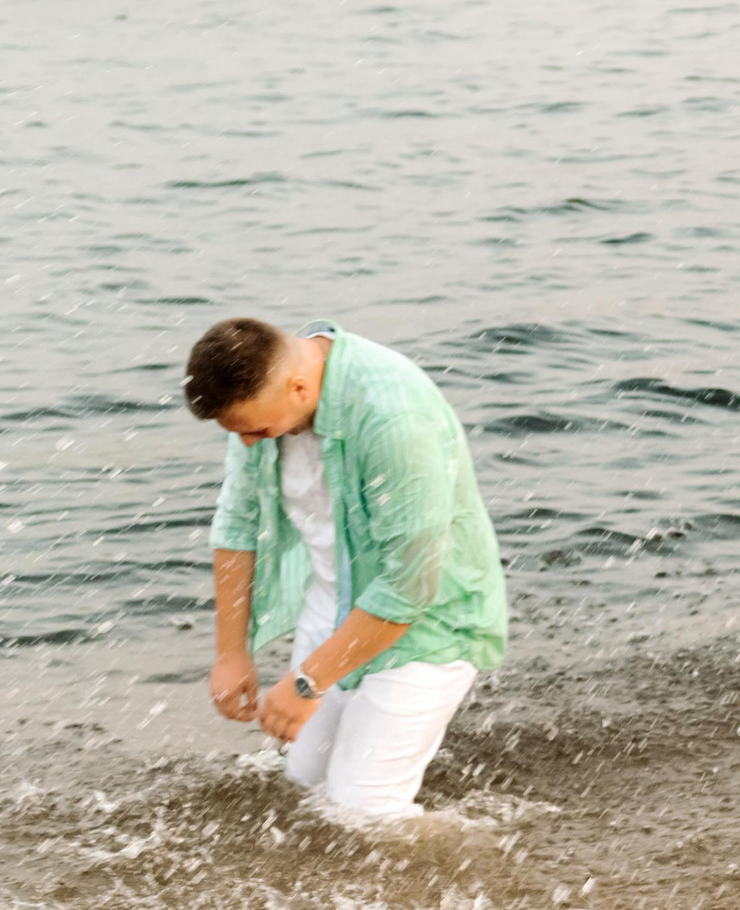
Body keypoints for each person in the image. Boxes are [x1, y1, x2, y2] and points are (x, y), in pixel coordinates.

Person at [183, 318, 507, 824]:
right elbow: (237, 525)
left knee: (364, 812)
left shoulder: (392, 416)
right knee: (306, 786)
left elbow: (408, 586)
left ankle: (491, 876)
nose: (248, 444)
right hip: (332, 602)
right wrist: (231, 652)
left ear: (298, 387)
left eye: (255, 431)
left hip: (429, 623)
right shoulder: (266, 399)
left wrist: (308, 681)